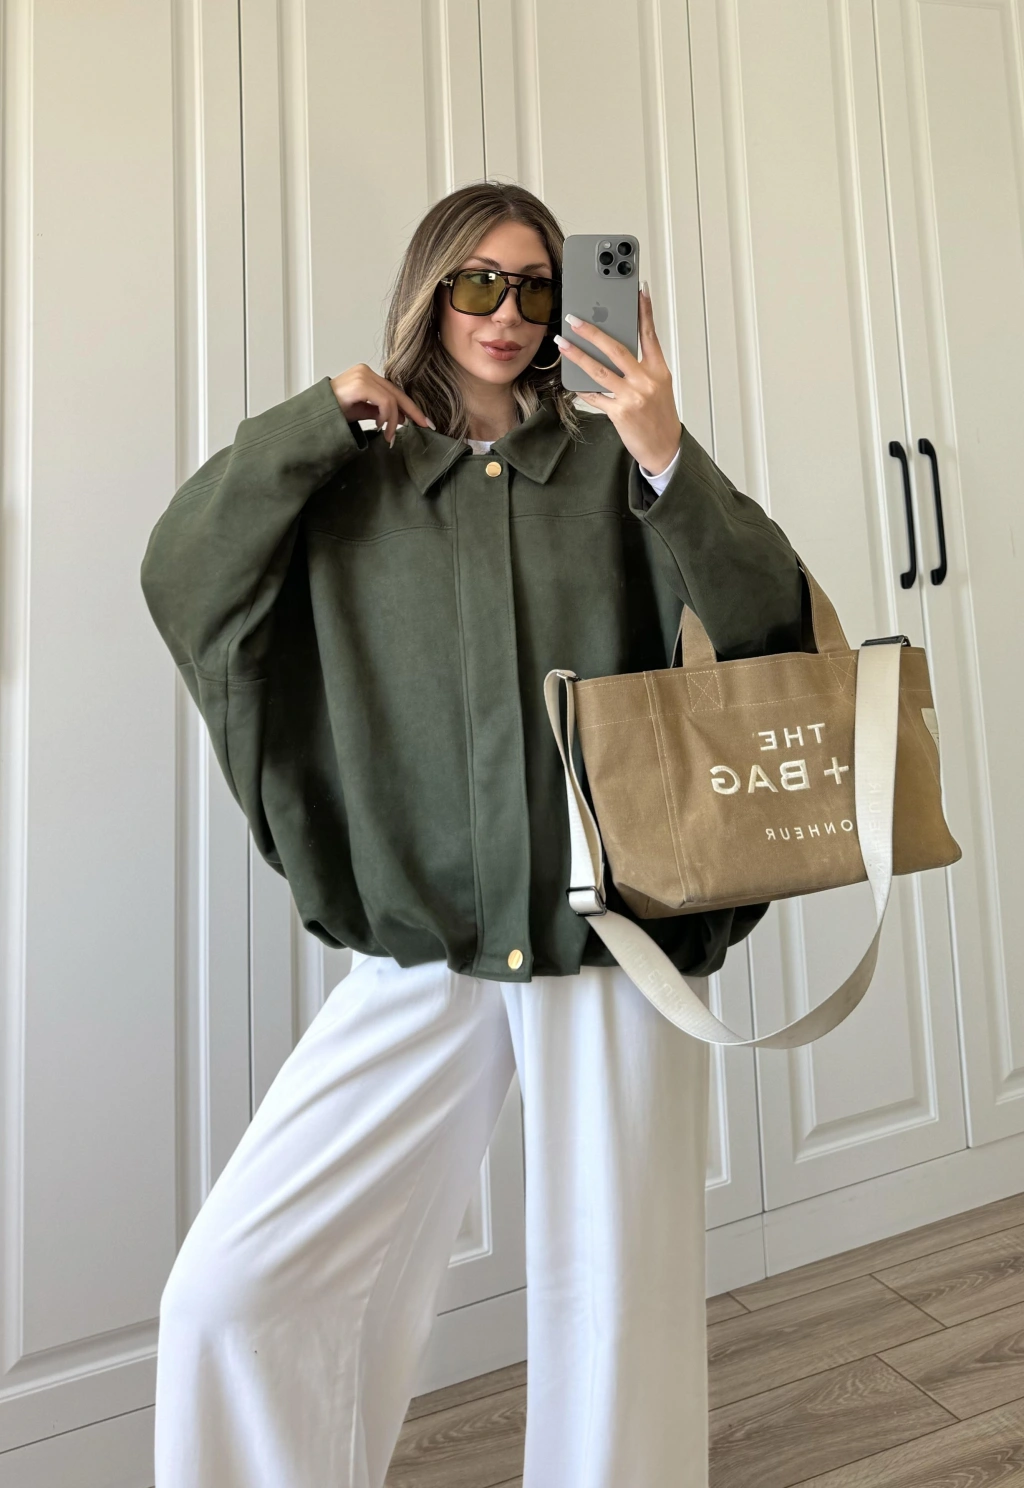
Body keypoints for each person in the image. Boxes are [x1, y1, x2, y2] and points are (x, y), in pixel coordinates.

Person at [140, 181, 805, 1488]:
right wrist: (312, 422)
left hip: (612, 936)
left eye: (535, 286)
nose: (506, 312)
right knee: (233, 1286)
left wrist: (666, 451)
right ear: (429, 292)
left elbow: (769, 623)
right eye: (477, 283)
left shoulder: (615, 465)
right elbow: (185, 575)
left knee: (617, 1317)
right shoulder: (355, 482)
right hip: (427, 942)